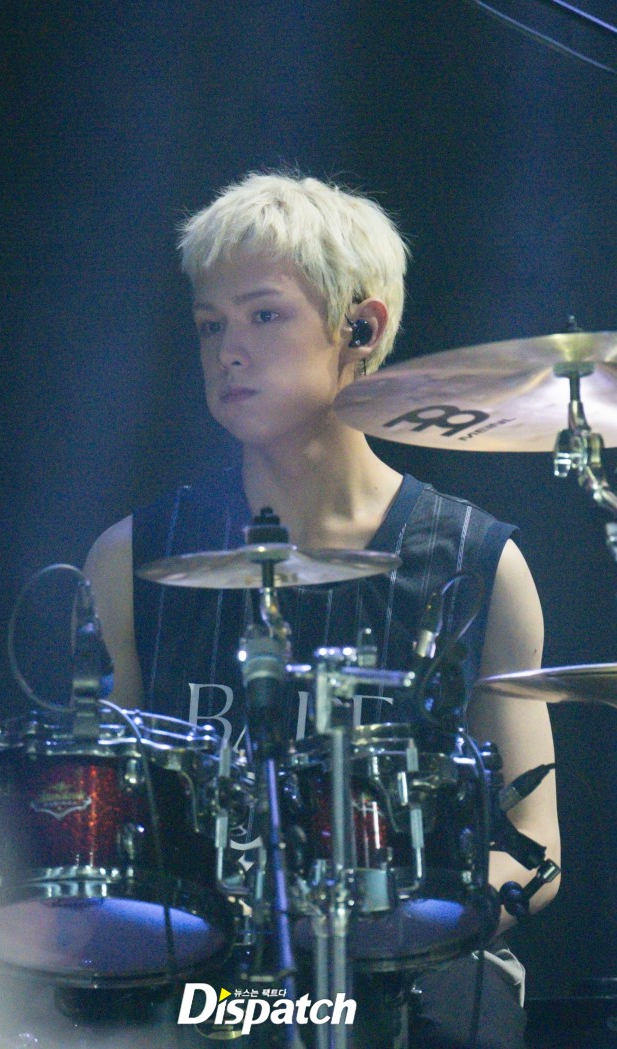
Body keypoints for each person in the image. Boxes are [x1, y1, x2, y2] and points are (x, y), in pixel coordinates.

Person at [84, 171, 560, 1047]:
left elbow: (535, 839)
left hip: (411, 971)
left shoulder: (479, 564)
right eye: (210, 324)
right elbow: (99, 836)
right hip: (202, 975)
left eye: (263, 315)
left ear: (361, 328)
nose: (228, 351)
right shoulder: (130, 558)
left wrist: (413, 929)